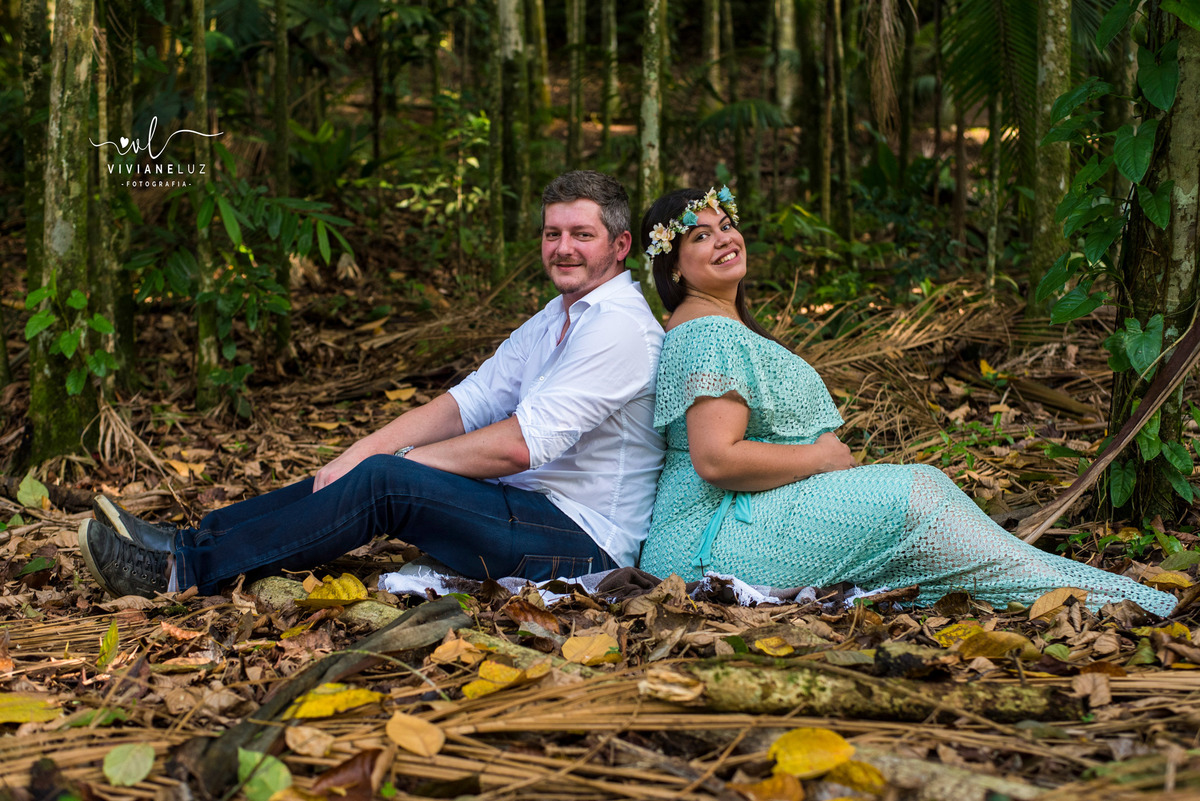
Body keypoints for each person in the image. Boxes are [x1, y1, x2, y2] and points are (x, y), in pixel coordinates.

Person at [78, 171, 666, 599]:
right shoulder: (557, 316)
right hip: (525, 507)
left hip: (579, 537)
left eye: (581, 235)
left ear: (619, 247)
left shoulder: (617, 328)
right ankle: (189, 541)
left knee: (387, 480)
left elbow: (517, 445)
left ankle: (182, 573)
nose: (562, 248)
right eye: (551, 233)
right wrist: (358, 452)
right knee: (369, 467)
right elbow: (468, 402)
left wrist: (397, 461)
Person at [635, 186, 1176, 617]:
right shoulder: (705, 332)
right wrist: (821, 460)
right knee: (914, 492)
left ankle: (1083, 591)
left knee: (924, 500)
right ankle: (1107, 596)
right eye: (701, 236)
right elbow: (715, 459)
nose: (725, 238)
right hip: (711, 543)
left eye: (726, 225)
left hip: (743, 522)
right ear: (674, 267)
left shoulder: (712, 325)